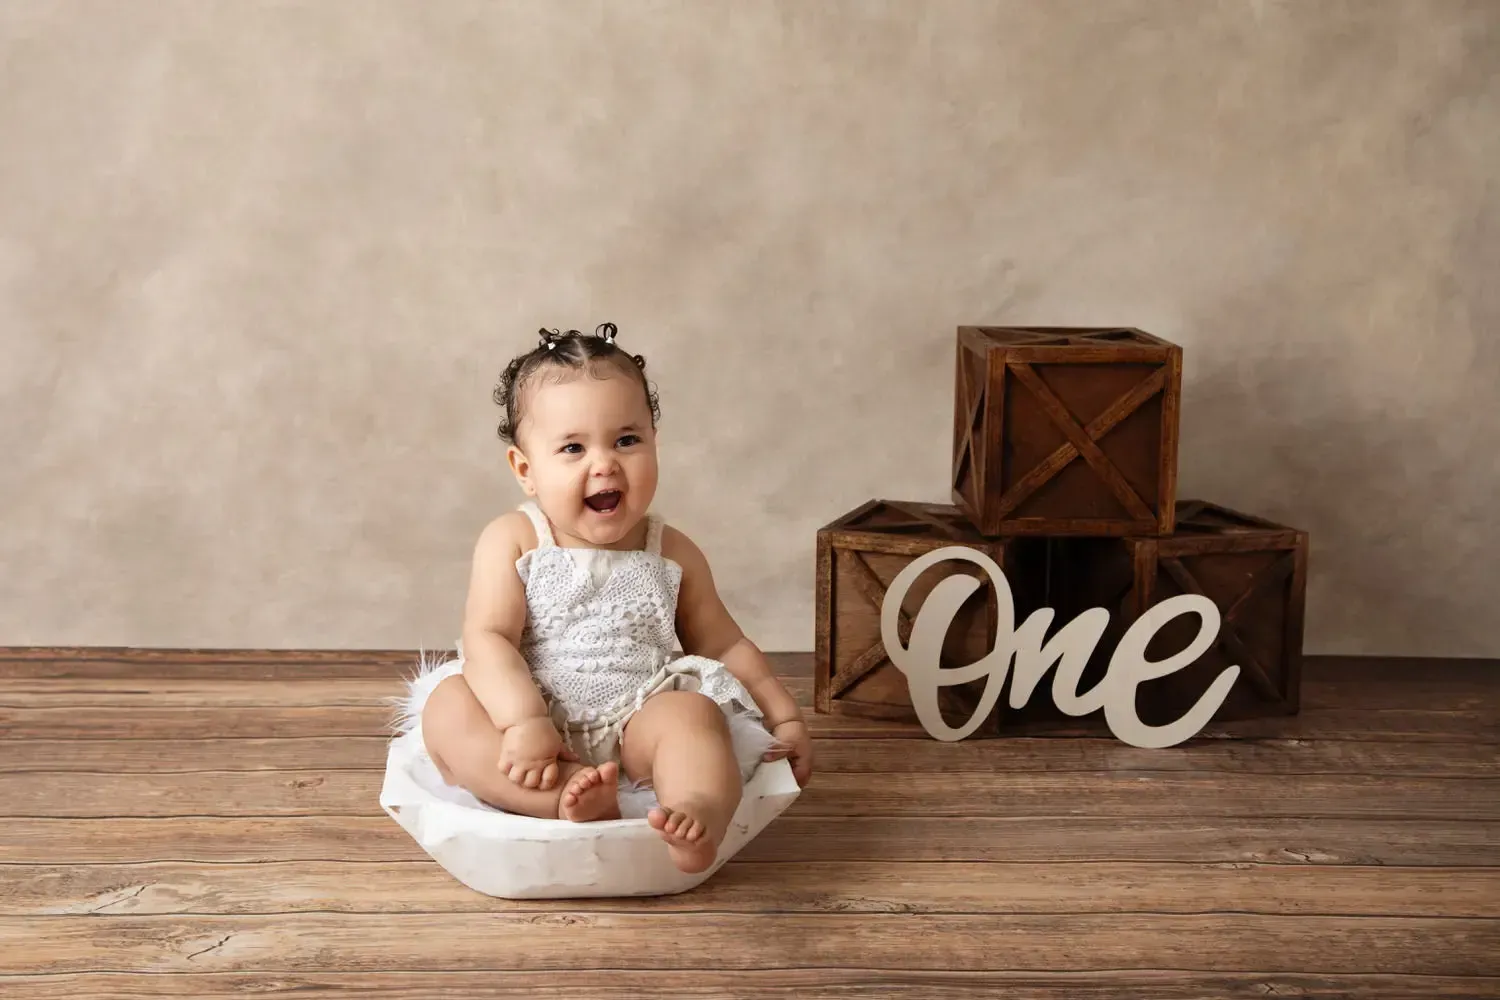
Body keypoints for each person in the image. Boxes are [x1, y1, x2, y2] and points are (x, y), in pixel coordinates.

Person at [399, 322, 812, 874]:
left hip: (639, 716)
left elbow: (726, 644)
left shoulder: (673, 551)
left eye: (626, 440)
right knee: (446, 708)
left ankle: (697, 810)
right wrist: (524, 721)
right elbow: (489, 637)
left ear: (654, 444)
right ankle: (564, 797)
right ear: (526, 470)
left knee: (694, 715)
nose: (605, 464)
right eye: (572, 447)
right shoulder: (515, 538)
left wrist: (784, 718)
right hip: (531, 723)